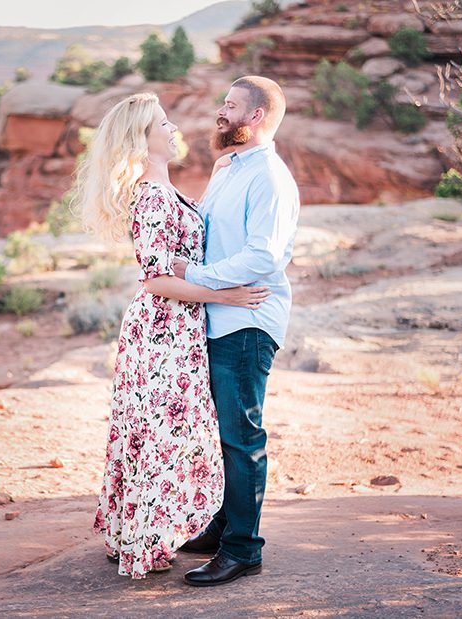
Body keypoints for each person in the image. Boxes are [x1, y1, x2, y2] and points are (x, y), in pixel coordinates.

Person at [74, 92, 270, 578]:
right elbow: (156, 278)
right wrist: (224, 295)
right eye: (163, 123)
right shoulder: (154, 194)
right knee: (161, 433)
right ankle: (145, 541)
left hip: (174, 327)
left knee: (154, 433)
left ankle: (135, 534)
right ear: (143, 139)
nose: (173, 128)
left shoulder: (164, 188)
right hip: (163, 329)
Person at [173, 76, 300, 587]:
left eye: (230, 107)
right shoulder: (230, 168)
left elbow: (262, 256)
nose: (219, 114)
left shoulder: (268, 176)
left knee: (242, 437)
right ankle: (224, 526)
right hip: (220, 316)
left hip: (246, 322)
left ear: (256, 117)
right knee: (224, 434)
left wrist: (194, 279)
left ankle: (243, 550)